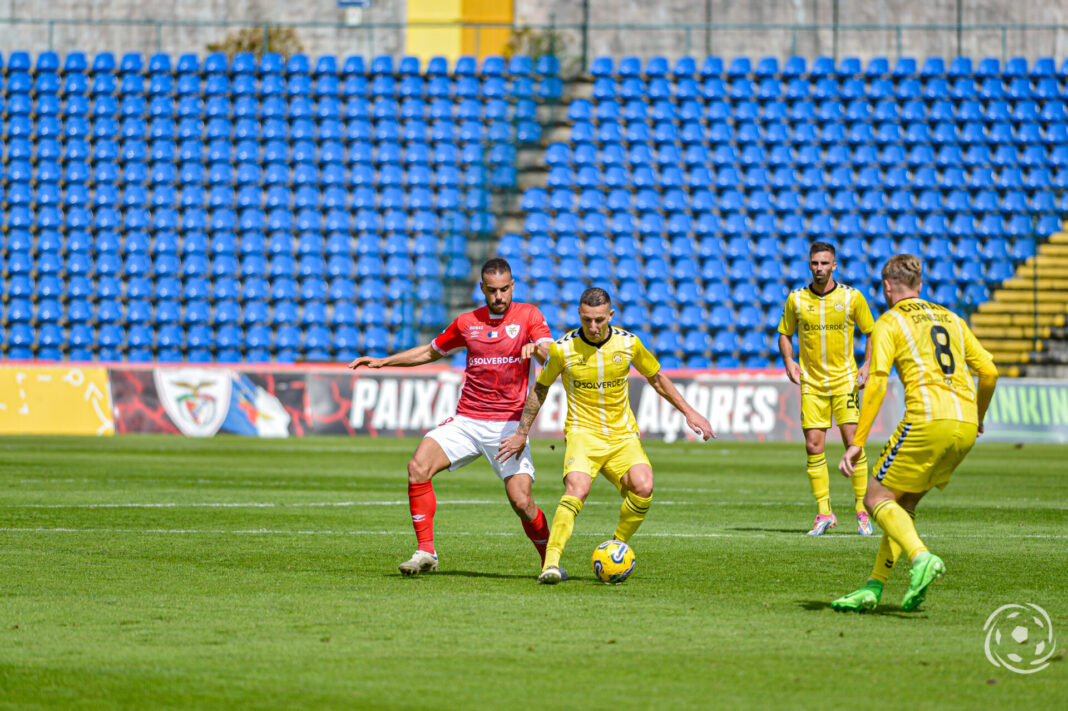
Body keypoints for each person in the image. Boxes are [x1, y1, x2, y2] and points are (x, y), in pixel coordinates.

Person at [348, 257, 555, 576]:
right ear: (482, 288)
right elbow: (431, 351)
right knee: (418, 466)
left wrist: (537, 351)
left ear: (512, 286)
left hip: (508, 424)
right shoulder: (466, 322)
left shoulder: (529, 316)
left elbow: (547, 348)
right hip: (467, 420)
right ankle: (425, 551)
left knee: (522, 501)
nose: (499, 297)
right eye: (492, 290)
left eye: (504, 290)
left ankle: (550, 560)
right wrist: (384, 362)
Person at [496, 287, 714, 584]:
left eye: (600, 320)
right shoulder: (563, 349)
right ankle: (551, 563)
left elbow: (657, 379)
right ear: (579, 315)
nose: (594, 327)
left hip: (622, 436)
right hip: (583, 434)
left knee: (643, 485)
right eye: (587, 320)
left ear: (610, 315)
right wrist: (522, 432)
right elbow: (541, 388)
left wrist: (689, 412)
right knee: (577, 487)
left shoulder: (629, 344)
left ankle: (616, 545)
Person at [832, 254, 998, 612]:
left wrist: (856, 442)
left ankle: (921, 558)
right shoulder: (952, 318)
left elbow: (876, 383)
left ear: (887, 287)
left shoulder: (889, 322)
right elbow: (989, 371)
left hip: (927, 419)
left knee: (874, 499)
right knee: (902, 505)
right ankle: (874, 587)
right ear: (920, 286)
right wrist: (978, 416)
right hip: (965, 424)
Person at [777, 241, 876, 536]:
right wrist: (788, 361)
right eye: (814, 263)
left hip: (845, 380)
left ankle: (861, 510)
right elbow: (784, 333)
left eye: (824, 263)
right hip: (812, 383)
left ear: (834, 265)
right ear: (810, 265)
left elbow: (871, 331)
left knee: (853, 446)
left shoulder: (851, 298)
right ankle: (824, 512)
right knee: (813, 447)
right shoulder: (796, 299)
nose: (819, 268)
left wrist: (868, 364)